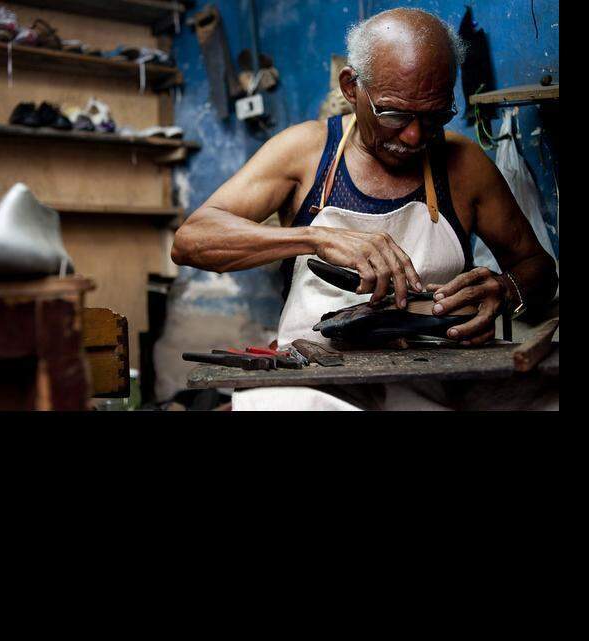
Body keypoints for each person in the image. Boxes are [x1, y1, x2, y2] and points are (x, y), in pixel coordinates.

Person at [171, 8, 557, 410]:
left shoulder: (464, 165)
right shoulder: (303, 152)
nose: (413, 136)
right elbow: (191, 240)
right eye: (394, 114)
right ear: (351, 87)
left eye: (435, 117)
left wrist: (506, 288)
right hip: (316, 380)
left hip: (432, 379)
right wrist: (315, 238)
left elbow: (539, 269)